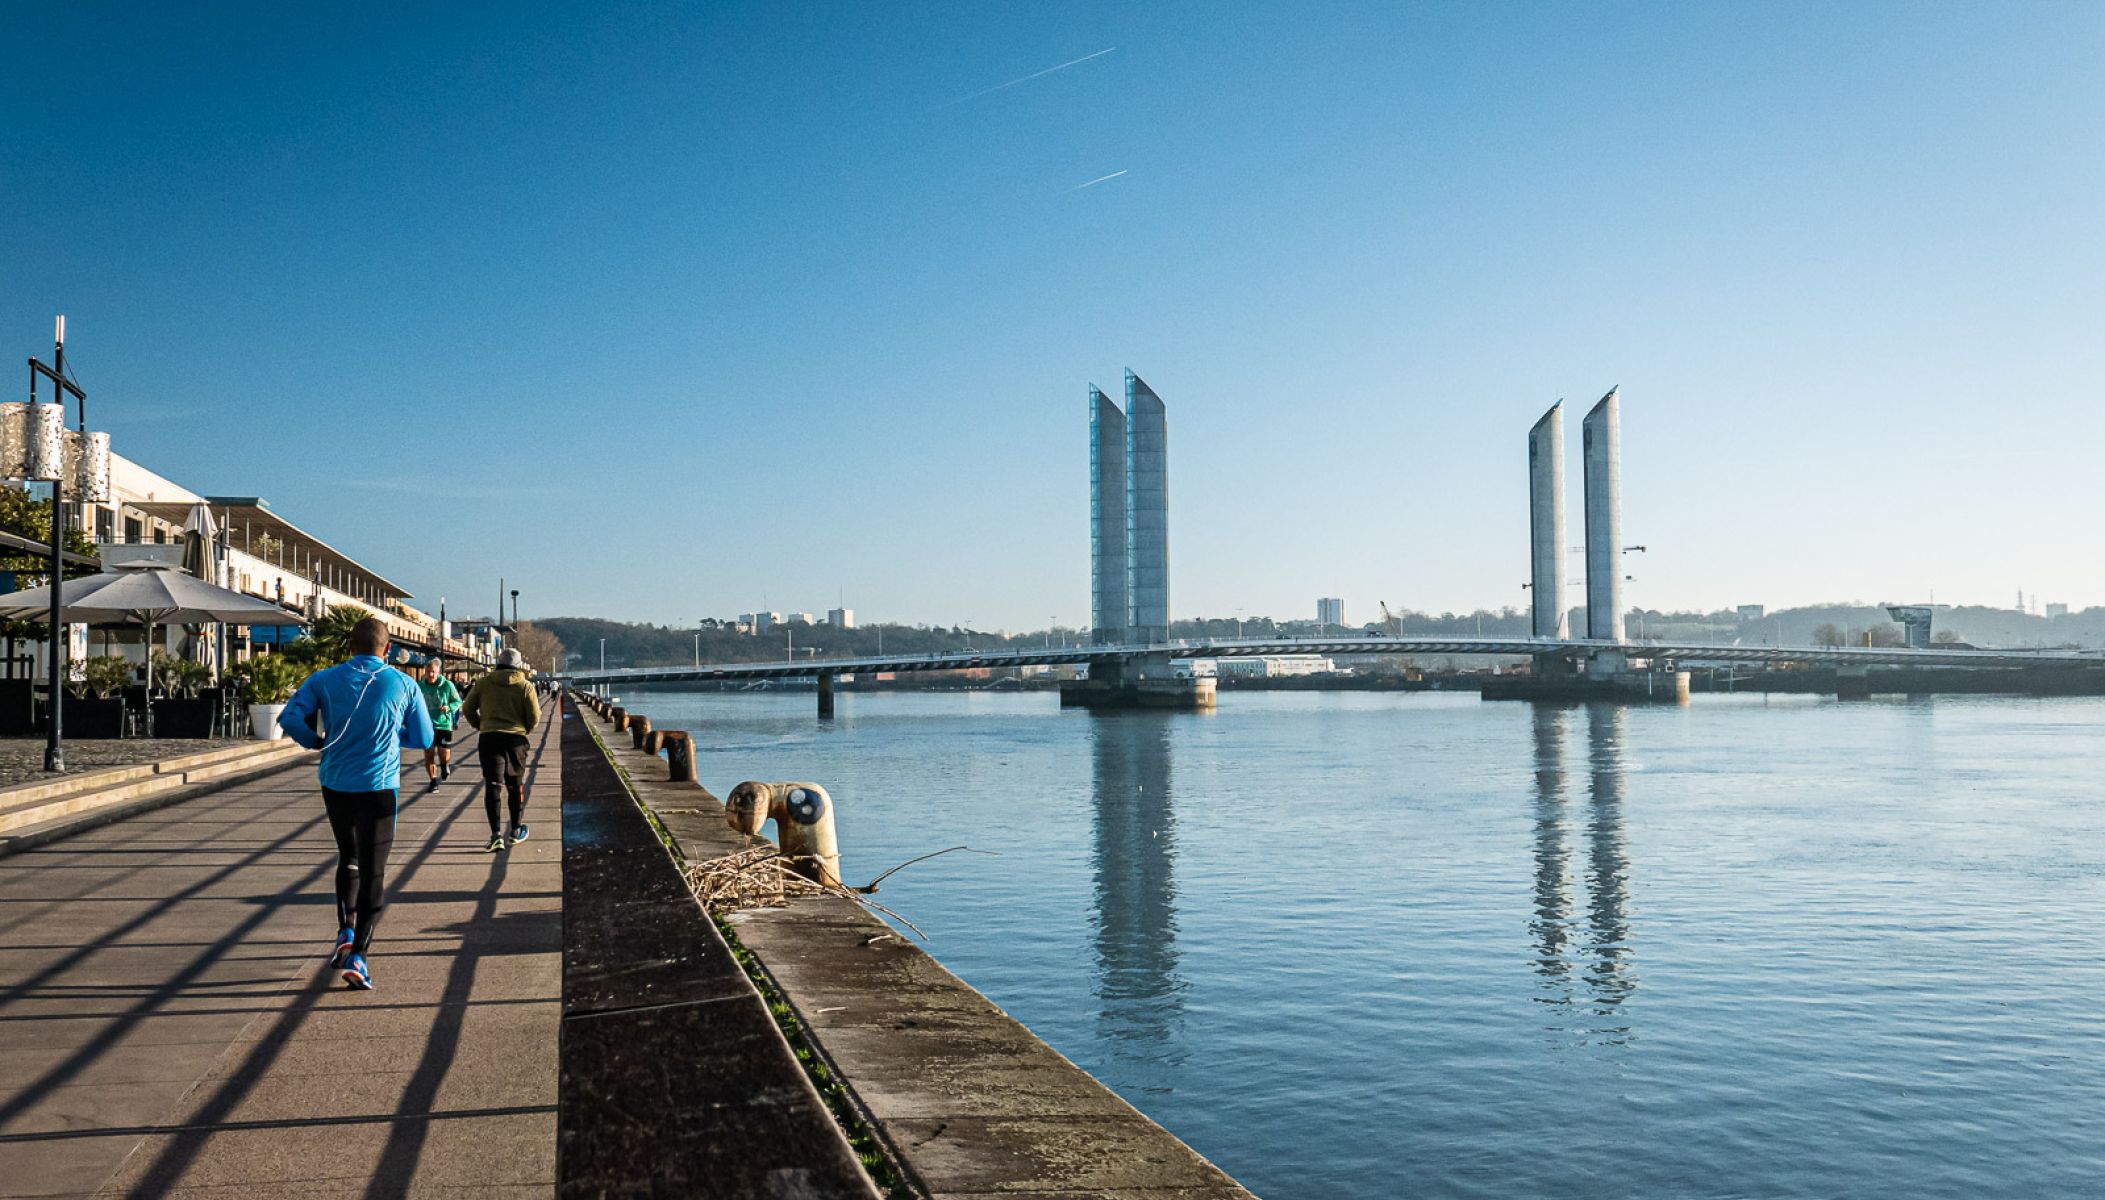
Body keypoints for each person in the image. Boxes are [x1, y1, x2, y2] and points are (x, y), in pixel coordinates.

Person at [279, 616, 434, 991]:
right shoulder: (403, 683)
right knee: (374, 870)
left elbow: (289, 717)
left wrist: (314, 742)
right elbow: (424, 735)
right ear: (388, 650)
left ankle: (344, 931)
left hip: (335, 784)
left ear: (350, 646)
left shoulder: (323, 679)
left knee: (347, 857)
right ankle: (359, 956)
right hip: (379, 786)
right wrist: (393, 737)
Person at [461, 648, 541, 852]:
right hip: (515, 740)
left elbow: (468, 708)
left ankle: (496, 835)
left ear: (499, 662)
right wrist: (525, 730)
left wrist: (481, 725)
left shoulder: (483, 683)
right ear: (519, 665)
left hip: (489, 738)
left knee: (493, 785)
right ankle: (515, 831)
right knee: (515, 786)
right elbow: (535, 716)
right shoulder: (525, 686)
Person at [415, 657, 463, 788]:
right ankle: (433, 781)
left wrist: (449, 708)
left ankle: (444, 765)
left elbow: (458, 702)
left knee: (443, 752)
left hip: (443, 724)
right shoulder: (420, 686)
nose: (430, 675)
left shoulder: (447, 685)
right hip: (426, 725)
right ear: (424, 671)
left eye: (433, 672)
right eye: (428, 671)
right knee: (429, 754)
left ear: (439, 672)